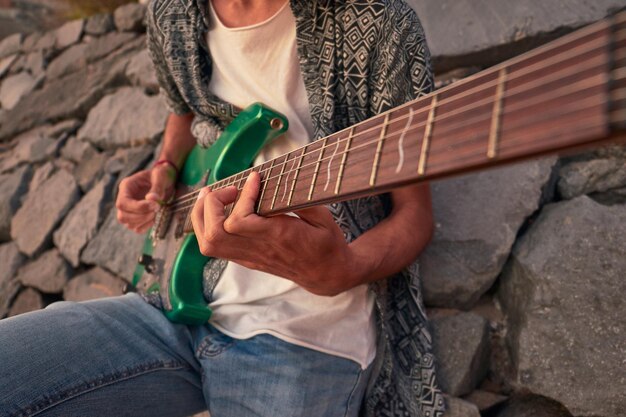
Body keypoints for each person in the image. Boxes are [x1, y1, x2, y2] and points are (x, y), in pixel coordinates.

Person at [0, 1, 445, 416]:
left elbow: (414, 213)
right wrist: (165, 166)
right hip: (170, 301)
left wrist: (345, 269)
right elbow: (184, 112)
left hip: (304, 333)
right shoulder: (173, 13)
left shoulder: (378, 24)